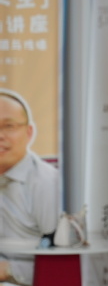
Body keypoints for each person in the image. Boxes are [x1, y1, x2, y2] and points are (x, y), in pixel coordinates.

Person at [0, 90, 60, 286]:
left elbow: (62, 266)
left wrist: (8, 270)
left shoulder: (47, 184)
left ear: (29, 132)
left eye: (8, 126)